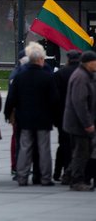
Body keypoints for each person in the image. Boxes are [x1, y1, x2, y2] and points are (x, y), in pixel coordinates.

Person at [4, 41, 59, 186]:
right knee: (44, 148)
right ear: (40, 59)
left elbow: (12, 98)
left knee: (25, 147)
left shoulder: (20, 76)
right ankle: (45, 178)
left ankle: (22, 176)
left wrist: (7, 113)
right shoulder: (47, 77)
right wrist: (55, 116)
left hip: (25, 117)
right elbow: (54, 99)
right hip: (43, 118)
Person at [62, 50, 96, 191]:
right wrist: (87, 123)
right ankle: (76, 180)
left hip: (79, 122)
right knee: (81, 153)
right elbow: (79, 103)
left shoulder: (86, 75)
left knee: (84, 151)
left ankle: (70, 175)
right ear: (89, 63)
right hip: (78, 124)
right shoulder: (81, 77)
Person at [53, 49, 81, 183]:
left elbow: (54, 96)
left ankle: (59, 171)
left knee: (63, 144)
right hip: (79, 115)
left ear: (68, 59)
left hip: (62, 114)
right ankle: (73, 172)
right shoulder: (82, 74)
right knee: (79, 145)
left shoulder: (59, 74)